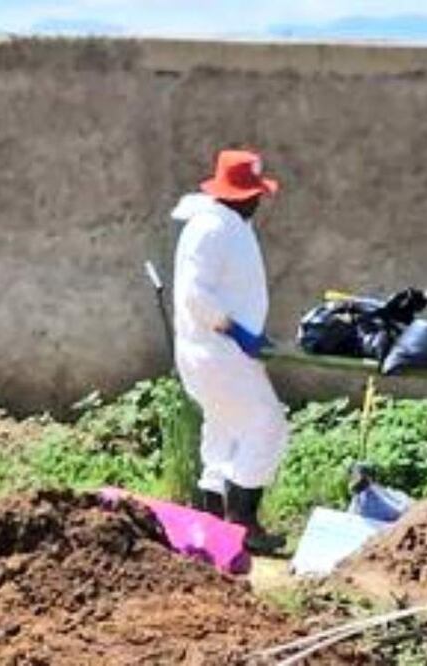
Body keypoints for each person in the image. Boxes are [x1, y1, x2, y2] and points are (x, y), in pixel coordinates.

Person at [171, 149, 289, 555]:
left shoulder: (227, 222)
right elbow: (194, 293)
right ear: (240, 194)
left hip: (218, 351)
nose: (259, 200)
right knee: (267, 425)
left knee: (224, 429)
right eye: (254, 193)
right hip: (218, 350)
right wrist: (236, 330)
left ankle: (211, 522)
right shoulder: (212, 228)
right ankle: (242, 523)